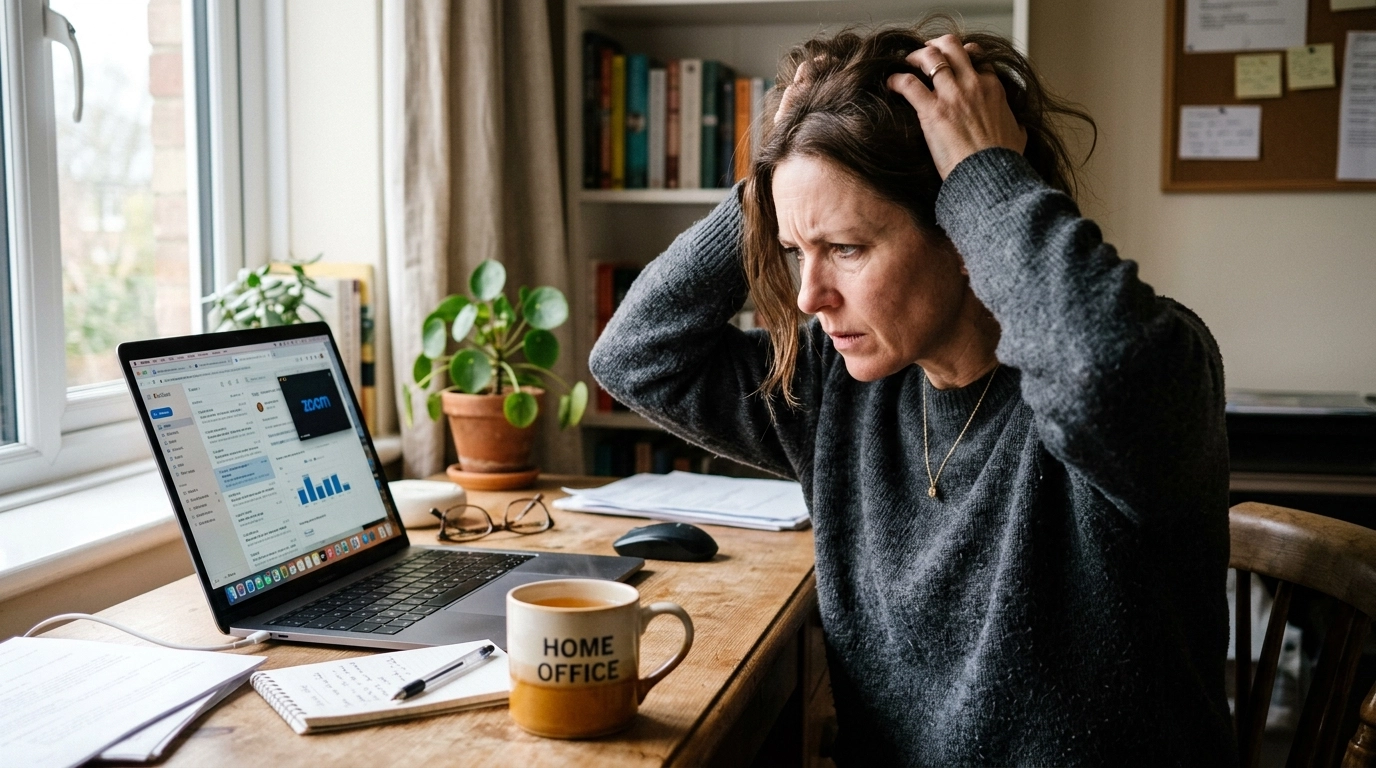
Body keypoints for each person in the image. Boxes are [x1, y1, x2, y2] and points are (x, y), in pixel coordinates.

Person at [590, 20, 1235, 766]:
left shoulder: (1151, 374)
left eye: (846, 248)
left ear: (964, 235)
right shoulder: (841, 387)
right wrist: (775, 186)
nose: (808, 297)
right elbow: (636, 355)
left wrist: (984, 173)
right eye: (797, 251)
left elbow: (1102, 369)